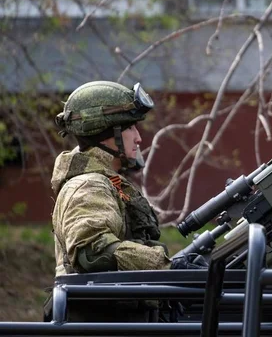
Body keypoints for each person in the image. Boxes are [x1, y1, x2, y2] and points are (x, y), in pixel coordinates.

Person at [48, 80, 203, 322]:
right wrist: (166, 268)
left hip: (118, 320)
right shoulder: (88, 185)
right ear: (108, 133)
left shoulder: (106, 182)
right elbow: (92, 252)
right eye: (131, 128)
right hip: (101, 324)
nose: (139, 138)